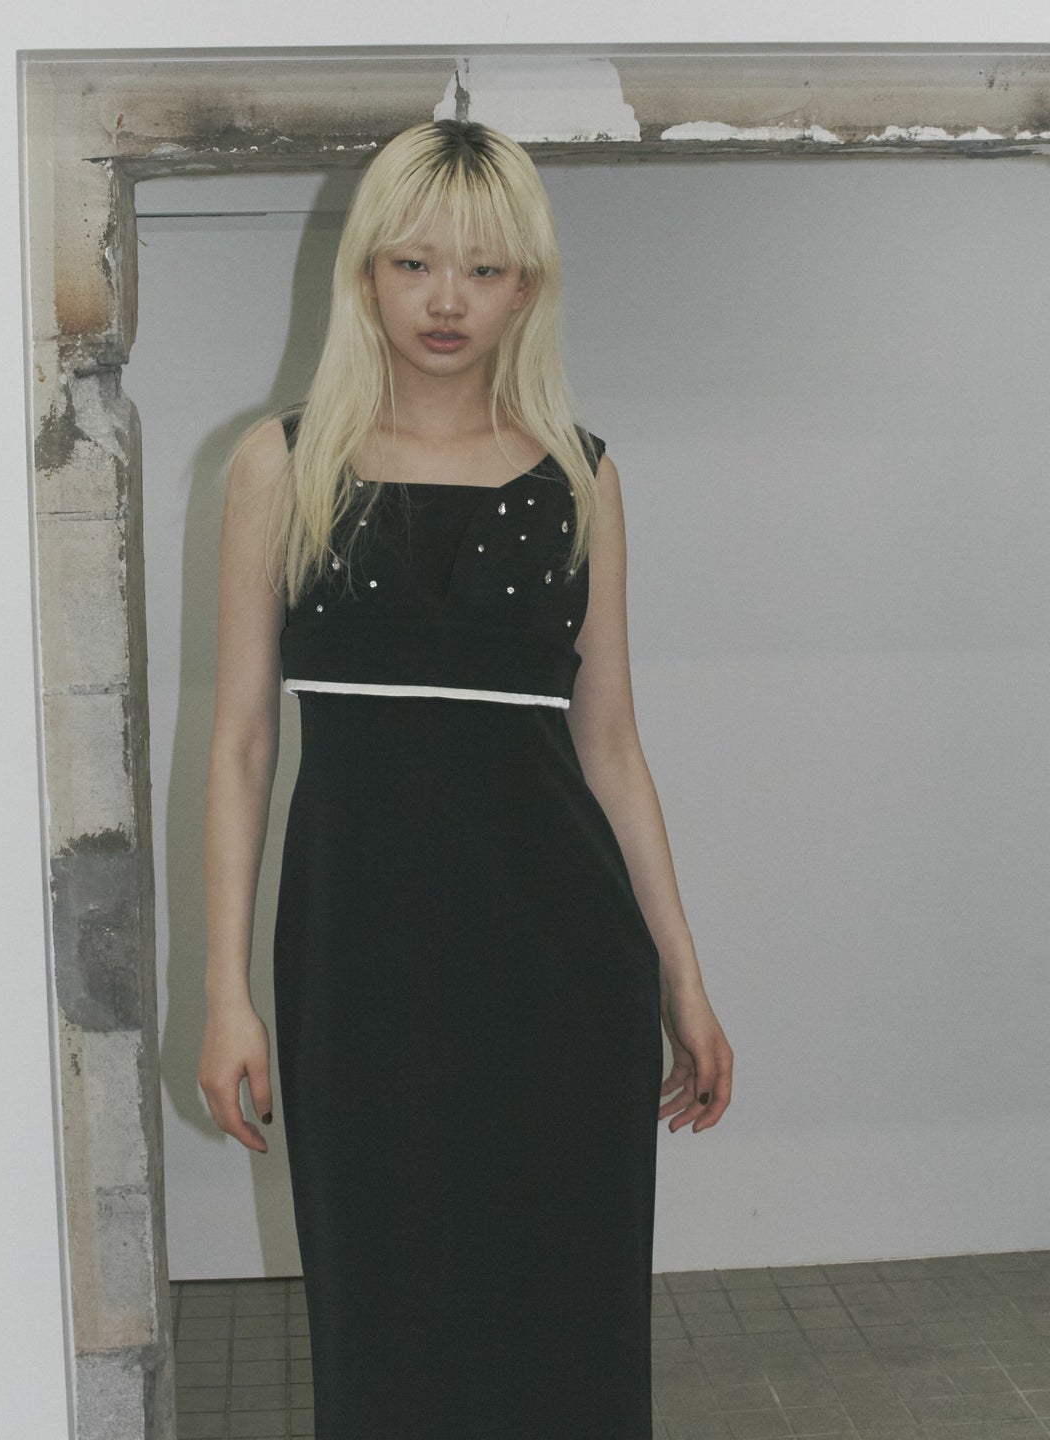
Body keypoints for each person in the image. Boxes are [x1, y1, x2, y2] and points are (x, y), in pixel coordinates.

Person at [199, 117, 733, 1438]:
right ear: (366, 275)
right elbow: (243, 742)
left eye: (485, 271)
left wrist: (684, 979)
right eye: (415, 264)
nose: (448, 301)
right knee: (384, 1315)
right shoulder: (280, 465)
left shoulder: (582, 477)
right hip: (358, 968)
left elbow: (611, 744)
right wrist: (223, 992)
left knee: (567, 1321)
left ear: (527, 288)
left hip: (561, 969)